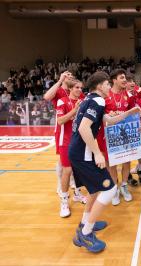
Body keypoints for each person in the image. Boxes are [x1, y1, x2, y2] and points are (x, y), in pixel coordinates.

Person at [69, 71, 141, 253]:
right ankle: (85, 234)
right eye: (108, 84)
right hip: (83, 154)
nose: (110, 86)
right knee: (110, 189)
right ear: (100, 86)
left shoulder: (90, 99)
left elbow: (108, 120)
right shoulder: (98, 100)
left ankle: (85, 223)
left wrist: (129, 112)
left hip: (79, 152)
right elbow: (85, 128)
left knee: (95, 190)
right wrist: (98, 153)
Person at [44, 71, 85, 199]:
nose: (70, 76)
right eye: (67, 75)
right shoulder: (60, 91)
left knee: (73, 163)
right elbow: (46, 97)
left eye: (71, 75)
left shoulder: (78, 93)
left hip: (75, 131)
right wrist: (60, 80)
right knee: (63, 161)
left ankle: (73, 185)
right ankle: (61, 185)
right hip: (63, 130)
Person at [96, 69, 134, 205]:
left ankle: (124, 185)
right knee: (111, 163)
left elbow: (132, 113)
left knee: (127, 160)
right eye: (122, 78)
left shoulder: (129, 95)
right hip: (108, 135)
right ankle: (115, 189)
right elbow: (98, 115)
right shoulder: (104, 96)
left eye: (125, 78)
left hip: (124, 133)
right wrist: (109, 116)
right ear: (114, 80)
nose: (125, 80)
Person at [56, 78, 86, 217]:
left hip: (79, 141)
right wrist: (75, 110)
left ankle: (77, 194)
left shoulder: (83, 101)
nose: (79, 90)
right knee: (67, 171)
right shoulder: (62, 101)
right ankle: (63, 202)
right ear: (70, 89)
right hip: (66, 141)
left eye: (81, 88)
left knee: (78, 169)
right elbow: (60, 121)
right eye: (77, 88)